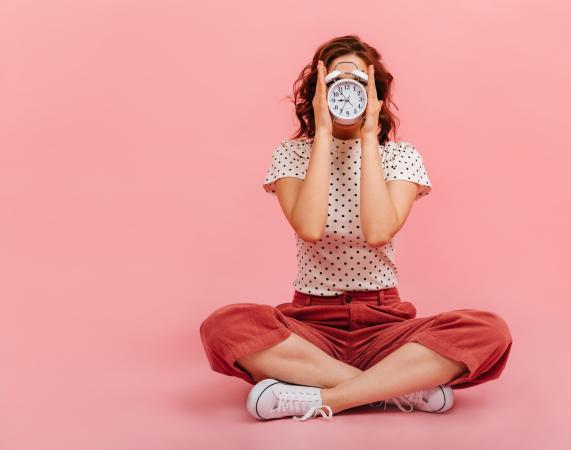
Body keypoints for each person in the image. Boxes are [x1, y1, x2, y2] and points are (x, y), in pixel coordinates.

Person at [199, 35, 512, 422]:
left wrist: (367, 136)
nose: (347, 92)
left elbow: (379, 231)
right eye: (334, 82)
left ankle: (318, 396)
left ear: (376, 94)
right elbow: (309, 227)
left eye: (359, 85)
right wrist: (325, 133)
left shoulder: (400, 156)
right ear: (317, 91)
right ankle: (398, 389)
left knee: (488, 330)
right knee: (225, 325)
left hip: (386, 325)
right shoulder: (291, 154)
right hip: (311, 326)